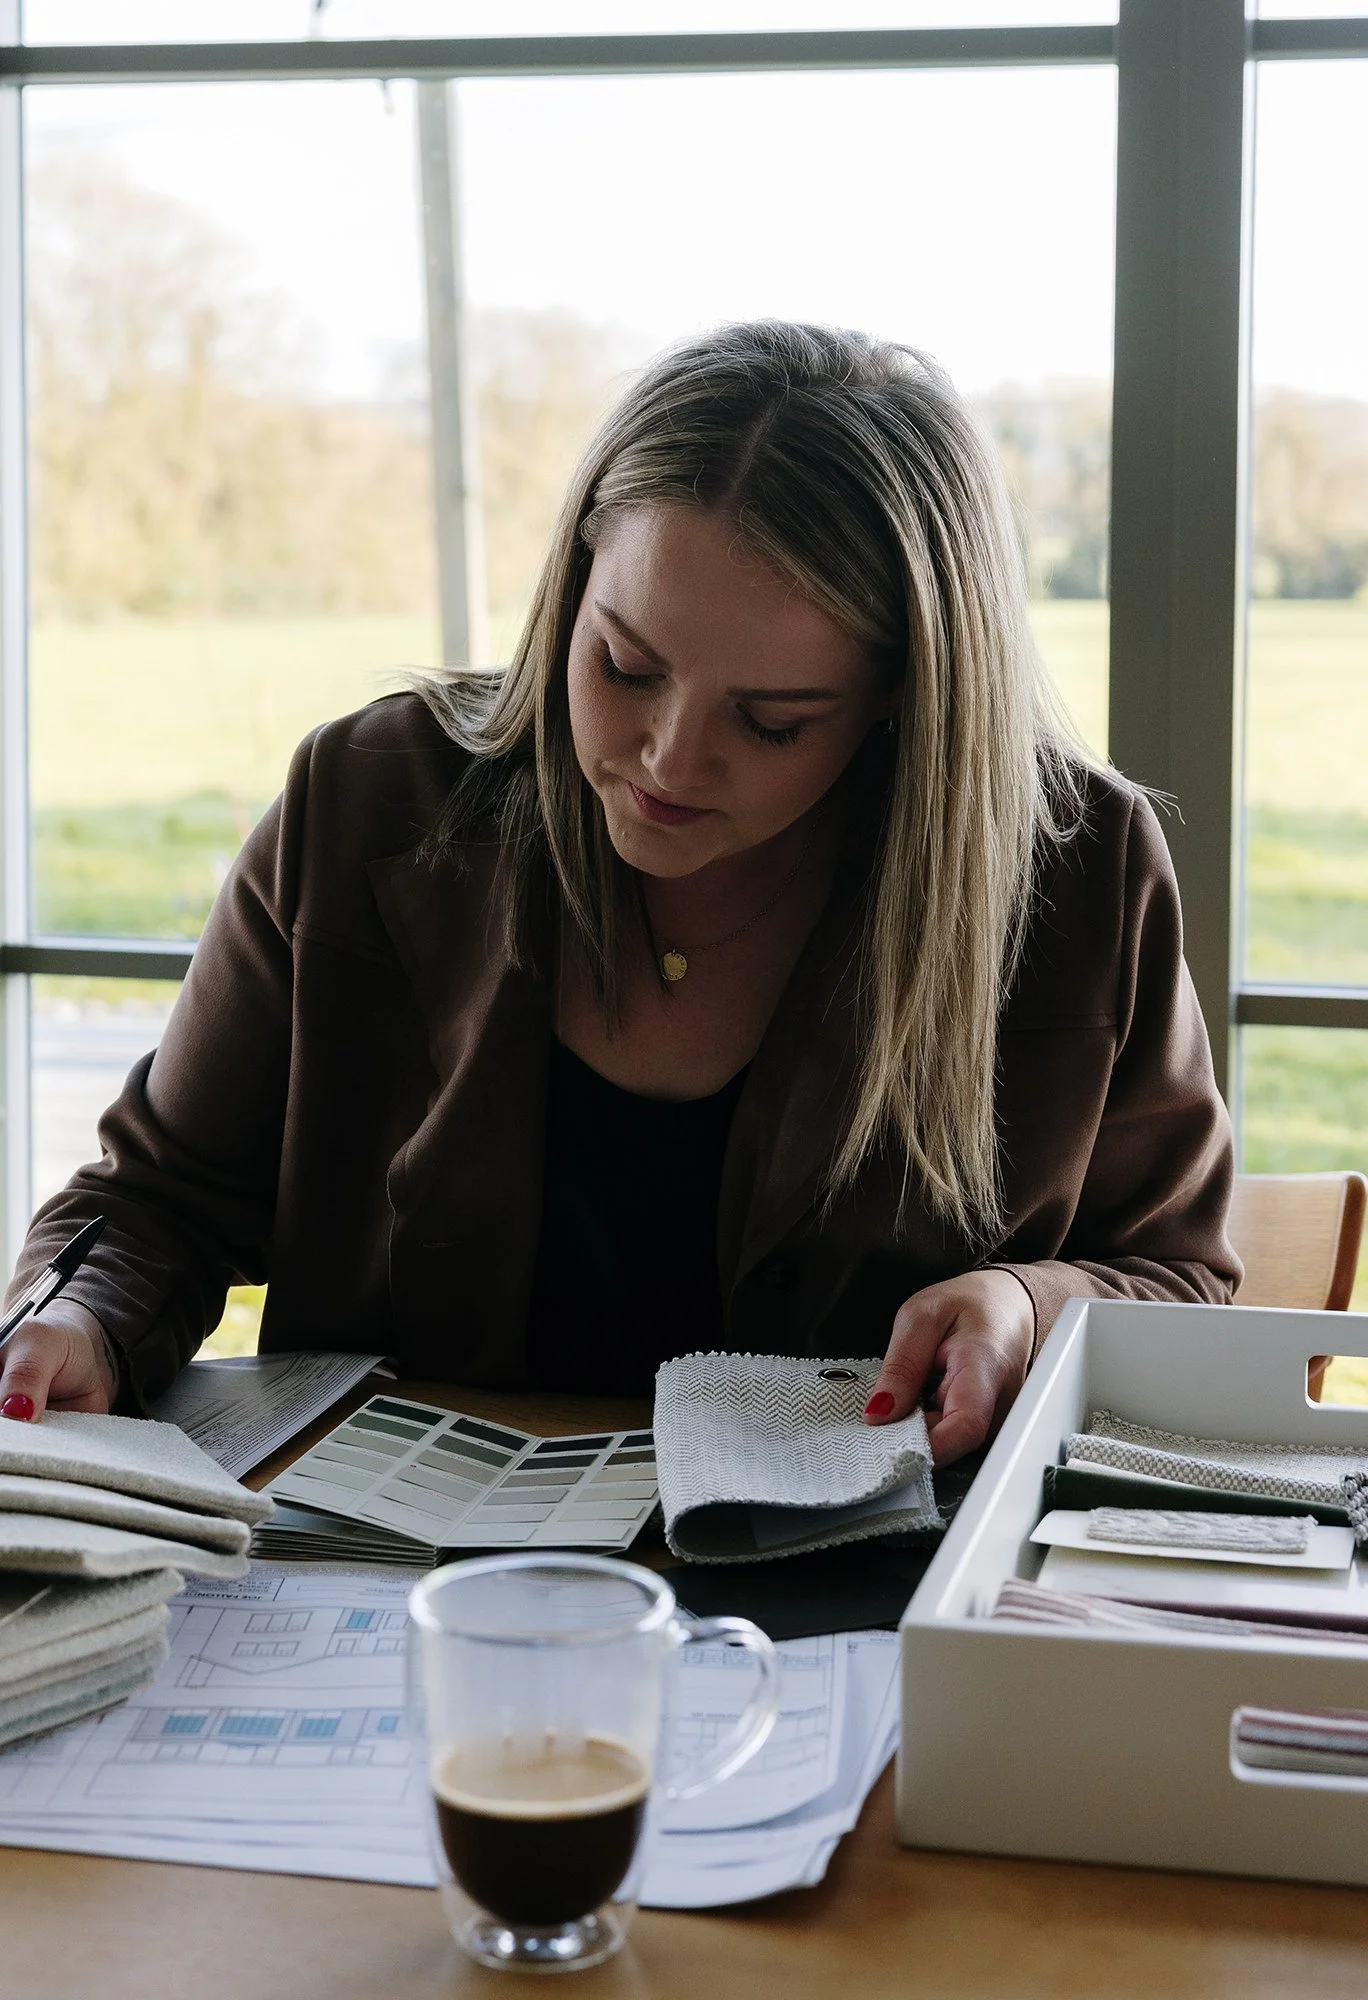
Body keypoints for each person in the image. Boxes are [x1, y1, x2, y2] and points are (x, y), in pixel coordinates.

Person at [0, 321, 1239, 1462]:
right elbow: (157, 1200)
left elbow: (1179, 1283)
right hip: (397, 1591)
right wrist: (80, 1324)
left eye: (771, 721)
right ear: (575, 579)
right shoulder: (367, 801)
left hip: (854, 1600)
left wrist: (1029, 1300)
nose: (666, 759)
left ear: (901, 696)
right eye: (626, 665)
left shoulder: (1071, 873)